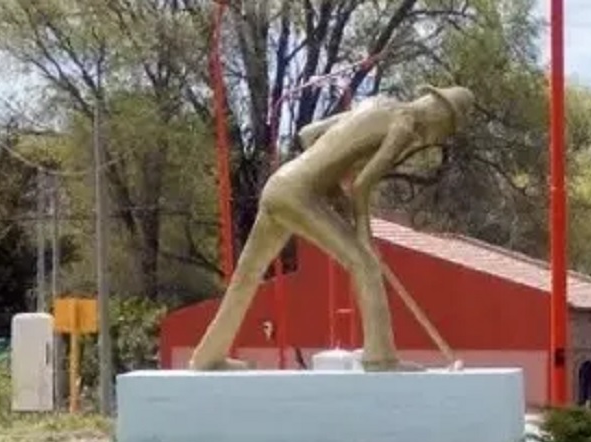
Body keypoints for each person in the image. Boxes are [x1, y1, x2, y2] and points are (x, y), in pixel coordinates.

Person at [187, 85, 475, 371]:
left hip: (279, 184)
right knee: (366, 266)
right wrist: (364, 235)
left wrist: (332, 184)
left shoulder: (376, 102)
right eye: (447, 128)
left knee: (246, 277)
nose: (439, 137)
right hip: (299, 195)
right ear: (440, 114)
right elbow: (363, 185)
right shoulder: (405, 125)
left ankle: (208, 356)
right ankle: (380, 358)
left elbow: (308, 134)